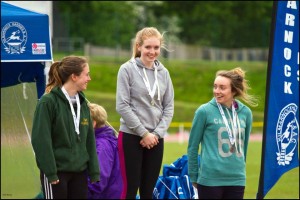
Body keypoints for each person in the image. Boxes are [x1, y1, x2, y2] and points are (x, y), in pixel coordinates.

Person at [116, 27, 174, 199]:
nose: (152, 51)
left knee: (148, 191)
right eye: (148, 47)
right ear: (139, 46)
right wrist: (143, 133)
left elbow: (169, 107)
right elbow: (122, 105)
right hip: (131, 136)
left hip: (156, 139)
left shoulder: (164, 73)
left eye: (156, 48)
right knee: (130, 190)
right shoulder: (126, 69)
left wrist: (155, 134)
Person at [31, 55, 100, 199]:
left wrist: (94, 170)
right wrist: (50, 171)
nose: (89, 78)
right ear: (74, 77)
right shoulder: (48, 102)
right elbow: (41, 140)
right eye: (86, 74)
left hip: (79, 173)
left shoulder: (83, 104)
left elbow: (89, 140)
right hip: (56, 172)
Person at [187, 67, 258, 199]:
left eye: (222, 88)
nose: (217, 91)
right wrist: (194, 175)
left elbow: (244, 147)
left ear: (233, 90)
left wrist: (240, 170)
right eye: (215, 87)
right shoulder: (204, 111)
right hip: (210, 179)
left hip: (237, 178)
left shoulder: (246, 113)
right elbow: (192, 146)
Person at [87, 102, 122, 199]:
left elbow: (98, 180)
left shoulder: (102, 145)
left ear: (93, 123)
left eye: (84, 121)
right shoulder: (106, 139)